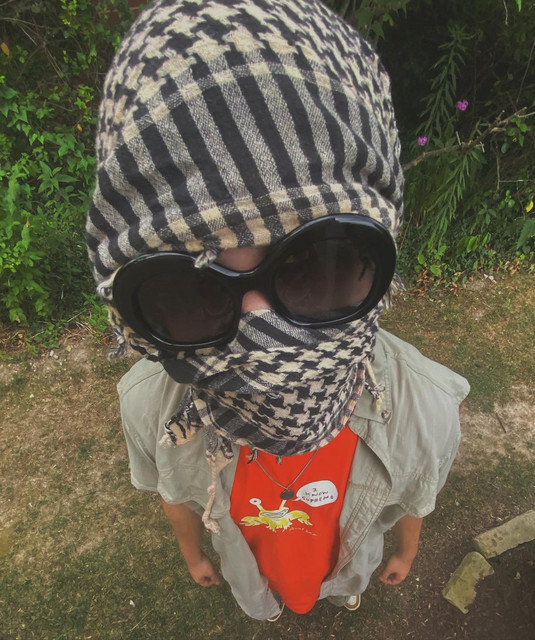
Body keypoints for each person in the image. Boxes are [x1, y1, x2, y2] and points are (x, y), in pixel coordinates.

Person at [86, 0, 469, 621]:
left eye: (315, 265)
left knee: (336, 584)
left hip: (346, 562)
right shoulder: (148, 412)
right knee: (264, 601)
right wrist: (193, 552)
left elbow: (415, 497)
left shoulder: (425, 414)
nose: (263, 335)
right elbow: (174, 495)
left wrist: (406, 548)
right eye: (189, 290)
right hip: (251, 573)